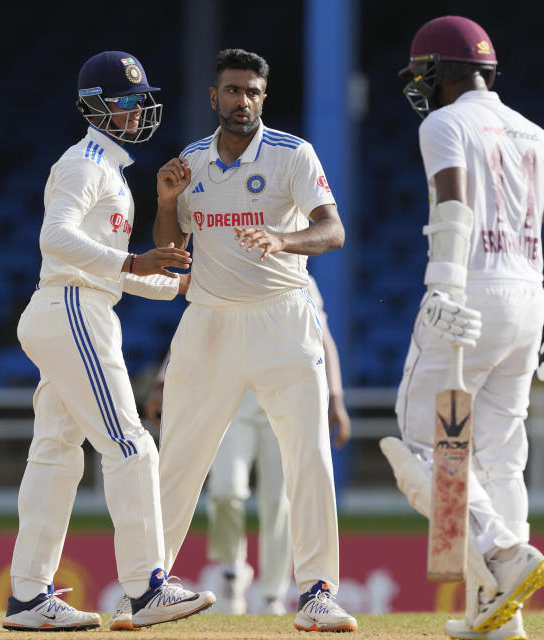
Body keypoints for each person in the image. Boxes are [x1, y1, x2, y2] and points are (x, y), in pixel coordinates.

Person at [378, 16, 544, 640]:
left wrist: (444, 283)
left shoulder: (443, 123)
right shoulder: (536, 132)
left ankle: (504, 556)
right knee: (501, 460)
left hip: (469, 290)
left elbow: (453, 202)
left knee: (423, 445)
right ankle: (498, 615)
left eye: (423, 73)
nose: (419, 86)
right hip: (528, 299)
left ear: (443, 73)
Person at [1, 50, 215, 632]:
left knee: (56, 454)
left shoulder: (110, 169)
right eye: (125, 100)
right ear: (95, 107)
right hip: (72, 307)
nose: (137, 108)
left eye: (139, 98)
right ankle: (148, 588)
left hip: (72, 306)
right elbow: (56, 236)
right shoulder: (85, 163)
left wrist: (179, 286)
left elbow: (114, 271)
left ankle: (28, 596)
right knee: (130, 444)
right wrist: (134, 258)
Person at [150, 48, 357, 632]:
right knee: (179, 461)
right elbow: (171, 252)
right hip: (209, 319)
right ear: (213, 97)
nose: (243, 101)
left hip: (281, 318)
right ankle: (148, 585)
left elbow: (333, 229)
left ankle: (317, 592)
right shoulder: (189, 162)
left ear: (264, 99)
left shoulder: (294, 154)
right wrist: (166, 203)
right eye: (233, 91)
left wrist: (283, 240)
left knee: (309, 457)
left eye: (254, 93)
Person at [142, 277, 351, 616]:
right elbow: (199, 326)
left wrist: (336, 398)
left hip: (281, 399)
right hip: (234, 402)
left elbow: (321, 339)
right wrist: (162, 379)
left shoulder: (296, 275)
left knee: (277, 502)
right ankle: (231, 571)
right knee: (225, 492)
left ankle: (272, 593)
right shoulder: (226, 261)